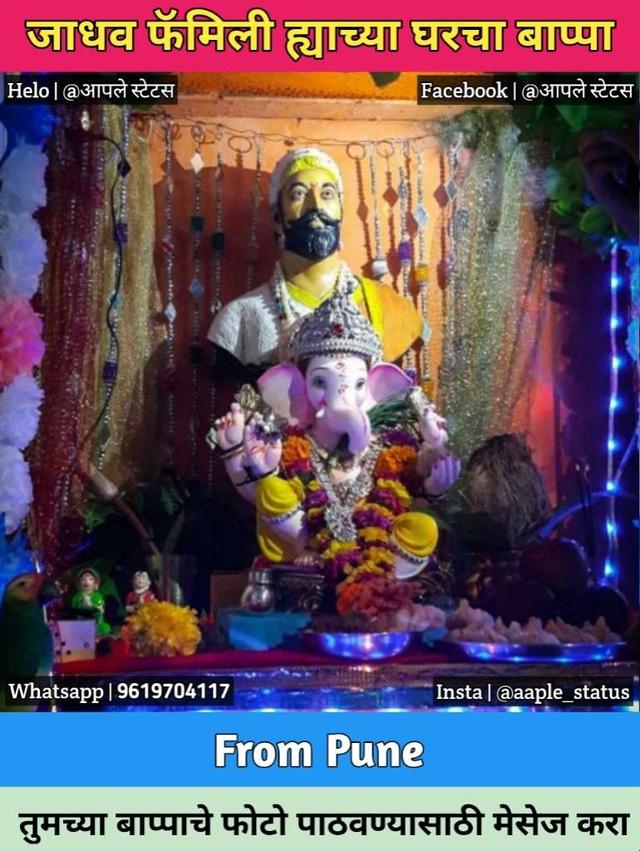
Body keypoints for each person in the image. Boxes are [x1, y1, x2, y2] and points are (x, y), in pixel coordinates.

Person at [208, 147, 423, 369]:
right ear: (277, 217)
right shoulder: (240, 318)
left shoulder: (389, 307)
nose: (316, 206)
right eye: (298, 194)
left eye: (327, 194)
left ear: (341, 211)